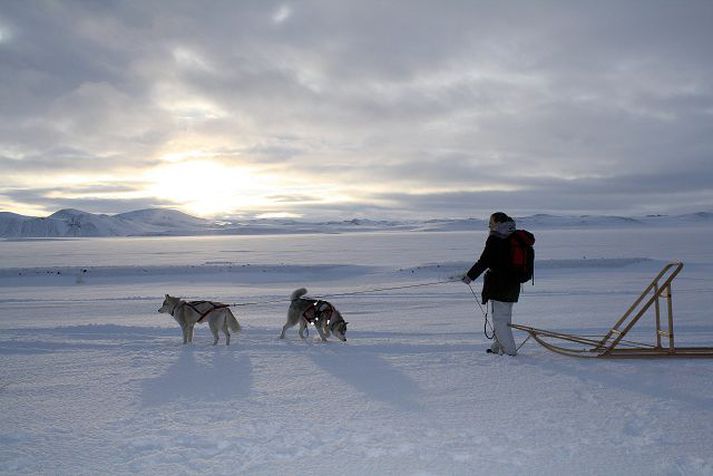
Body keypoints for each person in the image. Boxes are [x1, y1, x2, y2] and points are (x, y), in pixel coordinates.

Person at [461, 212, 520, 356]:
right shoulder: (512, 235)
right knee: (503, 318)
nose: (489, 225)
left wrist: (469, 276)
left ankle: (509, 352)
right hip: (512, 285)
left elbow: (484, 261)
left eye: (491, 222)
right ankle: (498, 346)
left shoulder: (496, 238)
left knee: (500, 320)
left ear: (497, 223)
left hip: (501, 285)